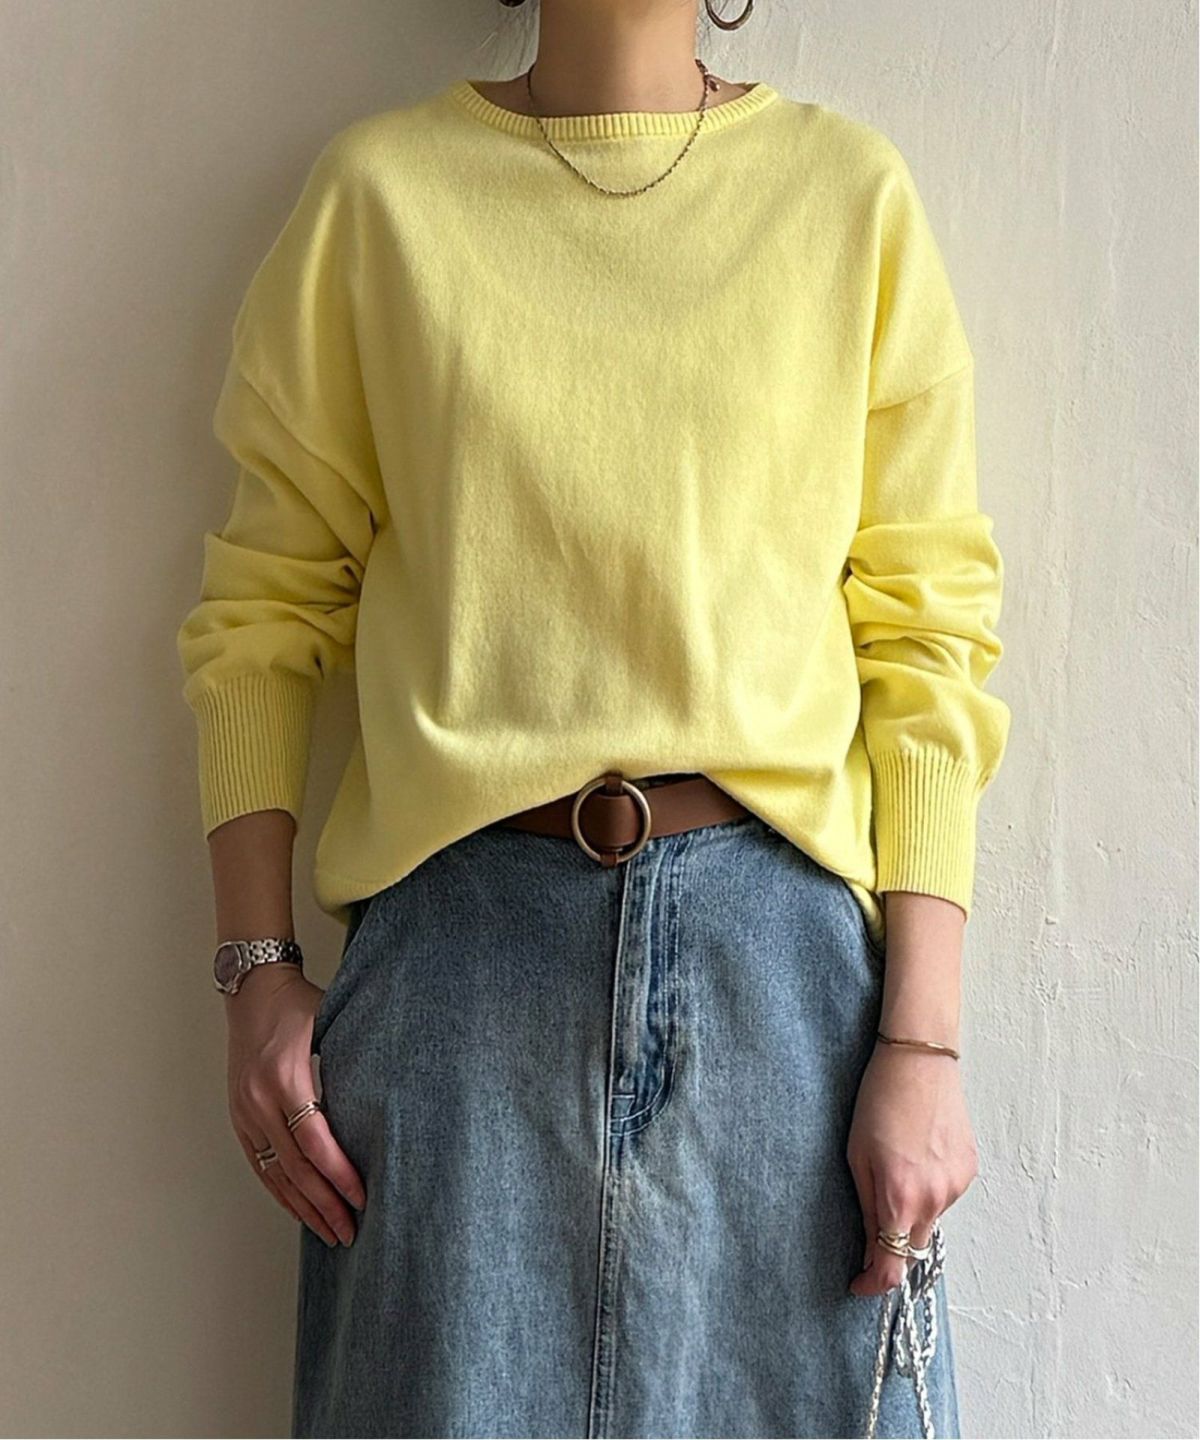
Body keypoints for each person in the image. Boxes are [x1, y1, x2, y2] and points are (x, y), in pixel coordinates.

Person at [176, 2, 1012, 1435]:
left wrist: (922, 1044)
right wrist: (256, 970)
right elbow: (264, 605)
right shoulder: (382, 201)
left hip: (784, 998)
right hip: (457, 985)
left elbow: (927, 634)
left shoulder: (845, 199)